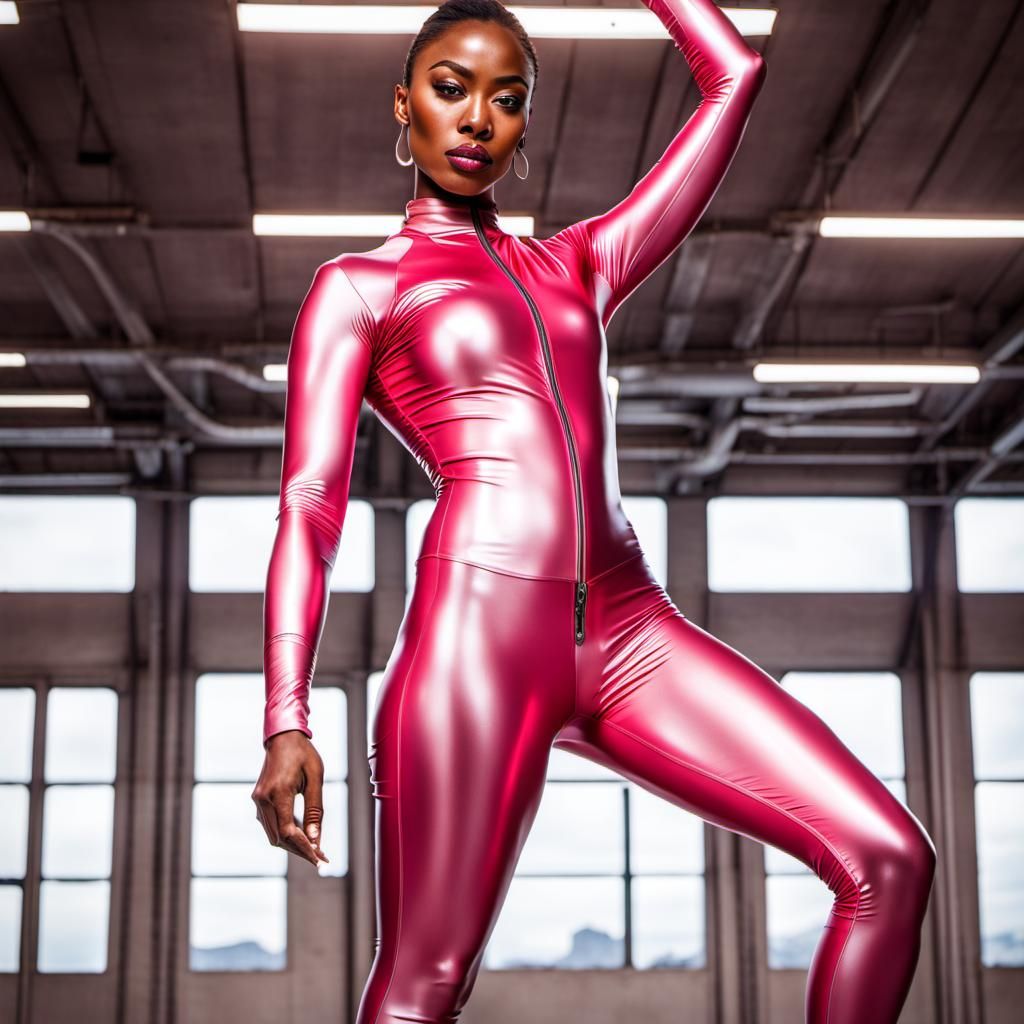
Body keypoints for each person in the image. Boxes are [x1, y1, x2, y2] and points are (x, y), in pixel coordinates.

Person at [251, 1, 937, 1021]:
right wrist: (285, 718)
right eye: (449, 88)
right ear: (404, 106)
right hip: (473, 652)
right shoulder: (359, 288)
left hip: (632, 635)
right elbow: (310, 502)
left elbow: (733, 75)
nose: (478, 116)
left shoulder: (579, 265)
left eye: (507, 98)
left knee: (887, 857)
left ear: (525, 128)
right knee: (420, 989)